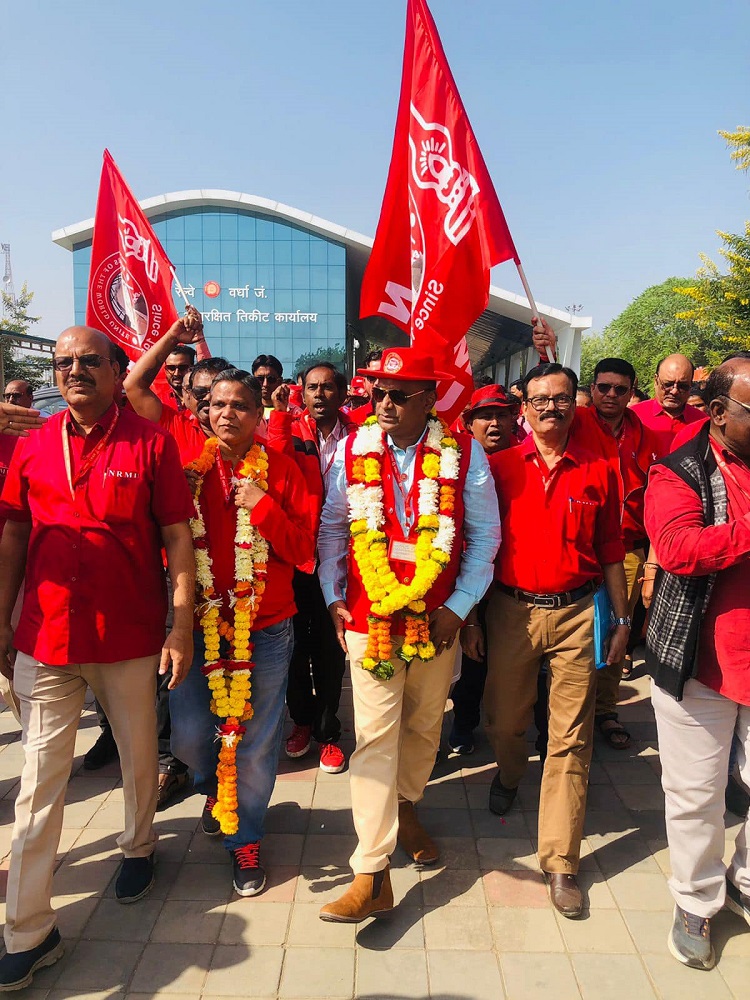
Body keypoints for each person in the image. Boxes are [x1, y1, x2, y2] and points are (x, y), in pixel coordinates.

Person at [0, 327, 195, 991]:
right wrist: (2, 619)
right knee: (36, 785)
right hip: (47, 636)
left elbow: (177, 535)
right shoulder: (33, 444)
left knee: (138, 756)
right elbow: (14, 532)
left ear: (117, 370)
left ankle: (138, 846)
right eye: (64, 362)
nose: (74, 370)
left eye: (89, 360)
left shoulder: (151, 443)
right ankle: (28, 930)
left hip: (127, 635)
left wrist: (180, 626)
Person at [316, 347, 501, 922]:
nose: (384, 403)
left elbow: (485, 537)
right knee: (373, 737)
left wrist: (460, 608)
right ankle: (371, 872)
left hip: (434, 621)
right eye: (378, 393)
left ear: (429, 400)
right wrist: (333, 596)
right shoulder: (352, 449)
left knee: (423, 726)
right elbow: (332, 527)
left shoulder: (463, 453)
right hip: (369, 619)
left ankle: (407, 804)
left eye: (398, 395)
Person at [483, 362, 629, 919]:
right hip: (510, 613)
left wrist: (622, 621)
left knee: (571, 739)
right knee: (505, 721)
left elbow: (612, 550)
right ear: (523, 407)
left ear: (576, 404)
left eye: (561, 398)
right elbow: (476, 546)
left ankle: (561, 860)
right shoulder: (498, 469)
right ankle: (510, 772)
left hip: (577, 614)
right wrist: (469, 619)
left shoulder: (601, 469)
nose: (551, 407)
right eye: (540, 399)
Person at [170, 368, 316, 897]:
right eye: (217, 404)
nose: (226, 413)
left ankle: (246, 838)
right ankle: (215, 787)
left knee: (255, 742)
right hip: (200, 623)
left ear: (258, 415)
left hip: (266, 627)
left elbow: (302, 551)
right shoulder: (188, 472)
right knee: (189, 735)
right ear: (204, 411)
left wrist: (263, 504)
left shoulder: (283, 470)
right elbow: (168, 546)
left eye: (239, 405)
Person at [644, 358, 750, 970]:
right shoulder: (678, 470)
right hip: (700, 662)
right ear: (718, 414)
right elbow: (678, 549)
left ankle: (744, 881)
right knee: (697, 796)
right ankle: (696, 902)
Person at [268, 363, 355, 774]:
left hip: (340, 561)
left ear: (342, 393)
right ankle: (301, 721)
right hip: (295, 558)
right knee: (294, 649)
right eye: (312, 388)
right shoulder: (289, 431)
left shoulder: (362, 437)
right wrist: (279, 418)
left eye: (328, 387)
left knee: (330, 650)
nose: (319, 394)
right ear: (301, 394)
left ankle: (327, 733)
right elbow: (274, 469)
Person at [448, 385, 540, 755]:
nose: (495, 423)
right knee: (473, 660)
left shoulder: (529, 460)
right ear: (468, 422)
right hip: (468, 583)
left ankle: (522, 730)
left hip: (515, 582)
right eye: (485, 416)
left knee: (518, 666)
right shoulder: (452, 462)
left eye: (502, 414)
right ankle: (464, 725)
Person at [124, 307, 229, 464]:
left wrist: (200, 340)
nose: (208, 397)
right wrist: (172, 337)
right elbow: (133, 385)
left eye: (215, 392)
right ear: (186, 396)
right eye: (200, 391)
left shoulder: (245, 434)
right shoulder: (175, 426)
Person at [632, 354, 705, 457]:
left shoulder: (703, 423)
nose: (674, 391)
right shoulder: (632, 416)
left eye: (682, 386)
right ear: (656, 381)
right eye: (668, 384)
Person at [348, 349, 383, 425]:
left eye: (383, 377)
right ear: (364, 382)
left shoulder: (404, 417)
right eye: (372, 378)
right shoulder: (351, 419)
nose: (377, 383)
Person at [164, 343, 196, 410]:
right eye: (171, 368)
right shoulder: (158, 400)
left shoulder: (204, 398)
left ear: (193, 368)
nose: (176, 373)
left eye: (182, 367)